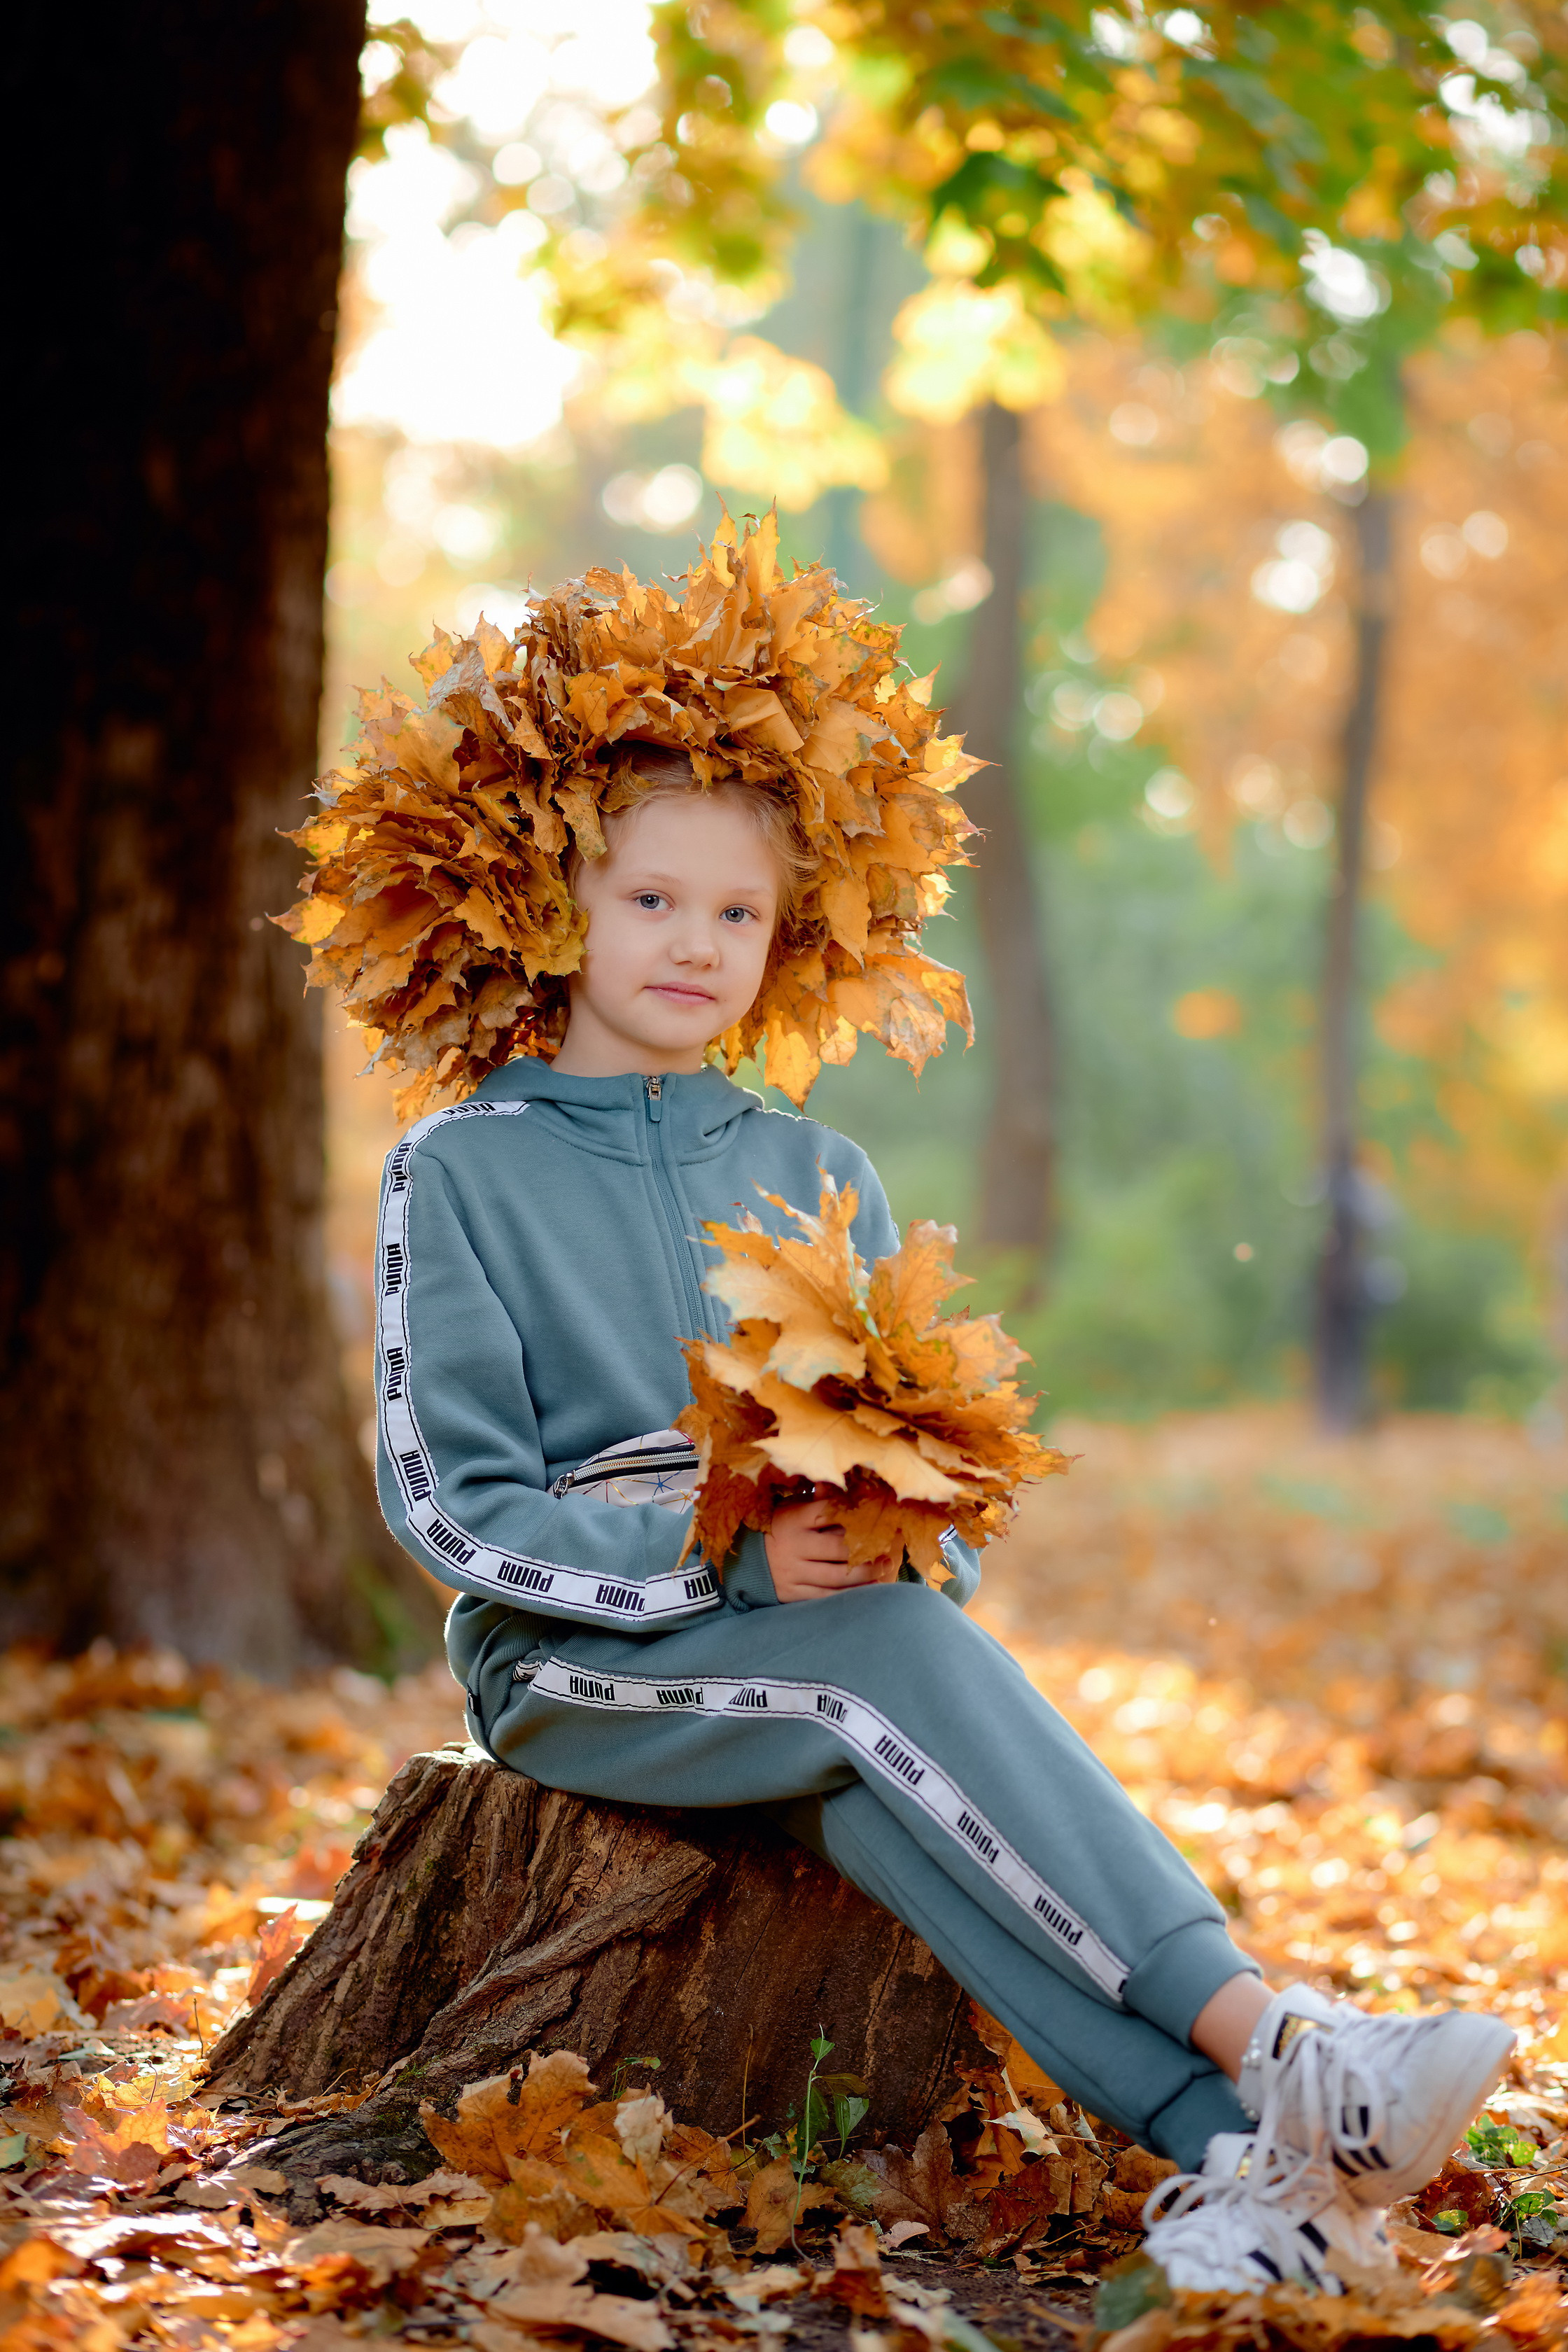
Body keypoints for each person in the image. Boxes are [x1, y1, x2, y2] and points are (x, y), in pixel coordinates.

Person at [298, 524, 1511, 2295]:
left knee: (897, 1783)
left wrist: (881, 1550)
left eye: (737, 912)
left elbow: (896, 1451)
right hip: (578, 1658)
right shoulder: (459, 1169)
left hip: (833, 1635)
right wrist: (720, 1569)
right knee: (869, 1687)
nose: (695, 943)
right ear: (556, 901)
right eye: (651, 900)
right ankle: (1284, 2039)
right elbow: (445, 1498)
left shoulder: (816, 1167)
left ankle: (1248, 2167)